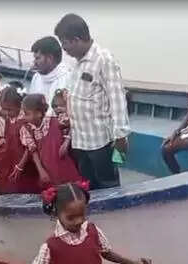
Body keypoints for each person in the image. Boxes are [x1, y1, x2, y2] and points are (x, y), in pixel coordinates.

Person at [54, 13, 130, 190]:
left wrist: (120, 135)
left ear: (77, 39)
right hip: (80, 140)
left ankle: (114, 217)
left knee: (108, 184)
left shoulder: (103, 60)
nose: (64, 49)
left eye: (65, 44)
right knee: (88, 184)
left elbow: (117, 98)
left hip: (99, 141)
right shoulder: (78, 63)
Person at [21, 94, 82, 187]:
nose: (23, 117)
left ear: (38, 113)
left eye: (27, 114)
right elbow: (33, 152)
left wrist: (66, 142)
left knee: (72, 190)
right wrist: (41, 171)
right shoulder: (27, 129)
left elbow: (73, 125)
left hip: (64, 166)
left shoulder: (56, 121)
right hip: (47, 170)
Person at [27, 36, 71, 115]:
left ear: (50, 58)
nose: (34, 62)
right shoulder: (36, 77)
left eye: (37, 58)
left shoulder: (68, 80)